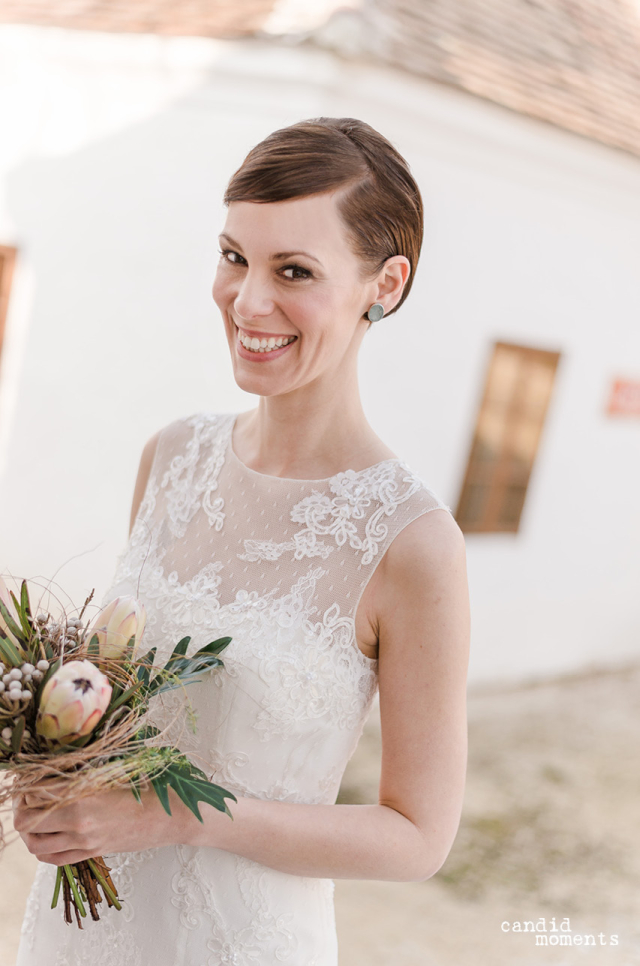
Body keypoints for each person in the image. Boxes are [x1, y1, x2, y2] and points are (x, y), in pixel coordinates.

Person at [14, 116, 470, 965]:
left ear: (387, 283)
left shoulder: (411, 543)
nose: (248, 301)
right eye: (234, 257)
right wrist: (56, 768)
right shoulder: (171, 457)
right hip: (80, 932)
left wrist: (175, 814)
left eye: (294, 271)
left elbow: (417, 837)